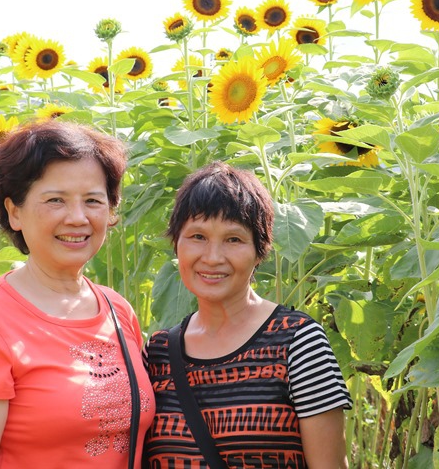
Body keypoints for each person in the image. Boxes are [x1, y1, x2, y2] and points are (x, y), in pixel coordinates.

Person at [0, 121, 155, 468]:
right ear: (14, 212)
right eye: (55, 200)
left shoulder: (118, 311)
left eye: (93, 201)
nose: (77, 217)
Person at [143, 161, 352, 469]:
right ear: (177, 245)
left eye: (234, 239)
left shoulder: (299, 343)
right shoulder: (158, 353)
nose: (212, 258)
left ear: (259, 251)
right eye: (197, 236)